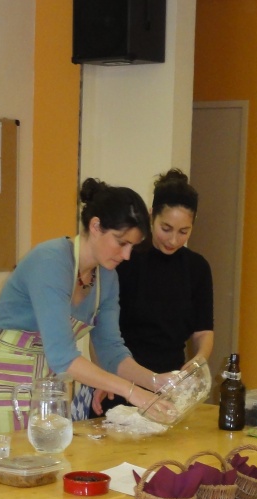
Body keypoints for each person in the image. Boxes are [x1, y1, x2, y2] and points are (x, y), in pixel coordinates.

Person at [0, 177, 173, 437]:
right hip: (2, 374)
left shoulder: (107, 277)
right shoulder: (51, 261)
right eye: (121, 242)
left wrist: (156, 382)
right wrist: (132, 392)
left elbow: (111, 351)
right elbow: (62, 356)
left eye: (133, 246)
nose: (127, 255)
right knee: (5, 465)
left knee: (48, 464)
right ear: (95, 226)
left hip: (49, 380)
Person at [96, 168, 214, 412]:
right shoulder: (125, 259)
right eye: (166, 228)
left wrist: (197, 362)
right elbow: (102, 333)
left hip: (171, 386)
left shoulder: (197, 268)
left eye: (184, 232)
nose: (173, 240)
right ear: (151, 216)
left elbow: (203, 331)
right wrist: (103, 378)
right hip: (122, 381)